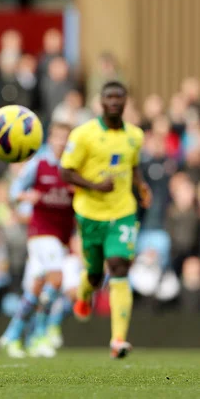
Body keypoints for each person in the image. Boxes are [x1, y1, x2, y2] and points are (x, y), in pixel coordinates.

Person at [60, 80, 152, 359]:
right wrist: (95, 186)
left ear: (125, 102)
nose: (114, 101)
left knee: (119, 266)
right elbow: (66, 171)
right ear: (101, 101)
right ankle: (84, 294)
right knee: (96, 273)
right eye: (109, 97)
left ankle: (118, 340)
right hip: (90, 214)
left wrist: (142, 185)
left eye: (119, 97)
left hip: (123, 211)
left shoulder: (135, 135)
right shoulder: (83, 134)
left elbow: (132, 164)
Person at [0, 122, 74, 358]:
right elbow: (14, 190)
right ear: (50, 139)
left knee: (36, 290)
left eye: (65, 138)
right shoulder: (38, 164)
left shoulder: (74, 167)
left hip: (61, 236)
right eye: (57, 137)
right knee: (57, 279)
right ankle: (42, 333)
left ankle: (11, 335)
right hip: (41, 233)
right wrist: (24, 196)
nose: (61, 142)